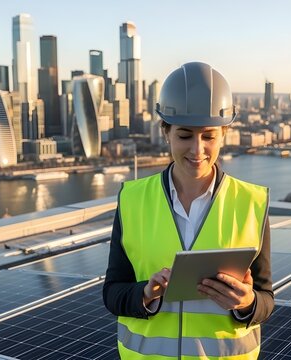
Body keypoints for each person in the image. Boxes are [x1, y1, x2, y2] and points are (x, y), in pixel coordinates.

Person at [103, 62, 273, 359]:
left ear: (223, 134)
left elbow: (266, 299)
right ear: (165, 132)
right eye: (185, 136)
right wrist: (145, 295)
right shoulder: (132, 200)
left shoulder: (252, 203)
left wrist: (247, 303)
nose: (197, 150)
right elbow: (113, 293)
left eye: (208, 136)